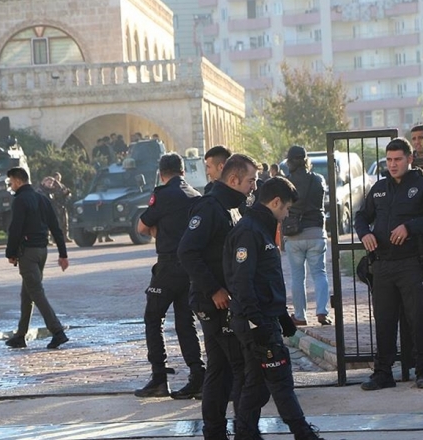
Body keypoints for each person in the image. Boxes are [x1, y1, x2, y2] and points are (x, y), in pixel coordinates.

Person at [226, 177, 325, 440]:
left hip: (264, 318)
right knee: (280, 380)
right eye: (286, 209)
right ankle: (303, 434)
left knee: (256, 384)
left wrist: (283, 318)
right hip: (255, 321)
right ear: (276, 202)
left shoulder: (261, 228)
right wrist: (257, 324)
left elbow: (266, 280)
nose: (287, 214)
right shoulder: (250, 231)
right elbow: (242, 281)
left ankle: (245, 433)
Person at [354, 138, 423, 390]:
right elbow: (361, 216)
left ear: (410, 159)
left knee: (418, 318)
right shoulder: (380, 188)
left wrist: (410, 227)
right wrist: (365, 233)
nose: (393, 164)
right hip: (383, 265)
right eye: (389, 160)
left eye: (398, 159)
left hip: (411, 263)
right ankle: (383, 373)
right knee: (384, 321)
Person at [178, 154, 258, 440]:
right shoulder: (210, 207)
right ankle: (241, 431)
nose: (253, 187)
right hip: (212, 301)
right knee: (239, 368)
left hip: (223, 300)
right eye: (250, 181)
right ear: (234, 179)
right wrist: (214, 289)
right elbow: (187, 251)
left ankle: (215, 431)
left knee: (220, 368)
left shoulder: (232, 207)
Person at [134, 153, 204, 399]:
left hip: (168, 267)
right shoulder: (196, 196)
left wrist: (159, 230)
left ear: (162, 173)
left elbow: (142, 228)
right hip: (192, 268)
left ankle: (159, 378)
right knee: (186, 322)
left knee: (153, 318)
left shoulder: (162, 195)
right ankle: (198, 376)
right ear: (183, 171)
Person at [4, 167, 71, 350]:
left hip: (28, 253)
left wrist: (10, 253)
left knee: (36, 292)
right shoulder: (42, 199)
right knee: (27, 294)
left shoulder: (19, 200)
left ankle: (57, 332)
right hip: (42, 251)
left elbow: (15, 228)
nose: (10, 185)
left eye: (11, 181)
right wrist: (62, 253)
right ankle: (20, 335)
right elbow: (56, 227)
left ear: (18, 181)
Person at [283, 146, 331, 326]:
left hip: (293, 234)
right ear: (306, 160)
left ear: (289, 162)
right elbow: (322, 201)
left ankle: (300, 316)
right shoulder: (318, 179)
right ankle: (322, 312)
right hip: (316, 232)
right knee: (319, 273)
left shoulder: (286, 182)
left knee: (297, 276)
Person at [50, 172, 73, 243]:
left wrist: (67, 193)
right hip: (56, 206)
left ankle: (65, 236)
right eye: (57, 178)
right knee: (57, 223)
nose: (58, 179)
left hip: (63, 206)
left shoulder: (62, 185)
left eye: (59, 178)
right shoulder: (52, 186)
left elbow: (67, 194)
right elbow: (53, 195)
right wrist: (62, 193)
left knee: (65, 222)